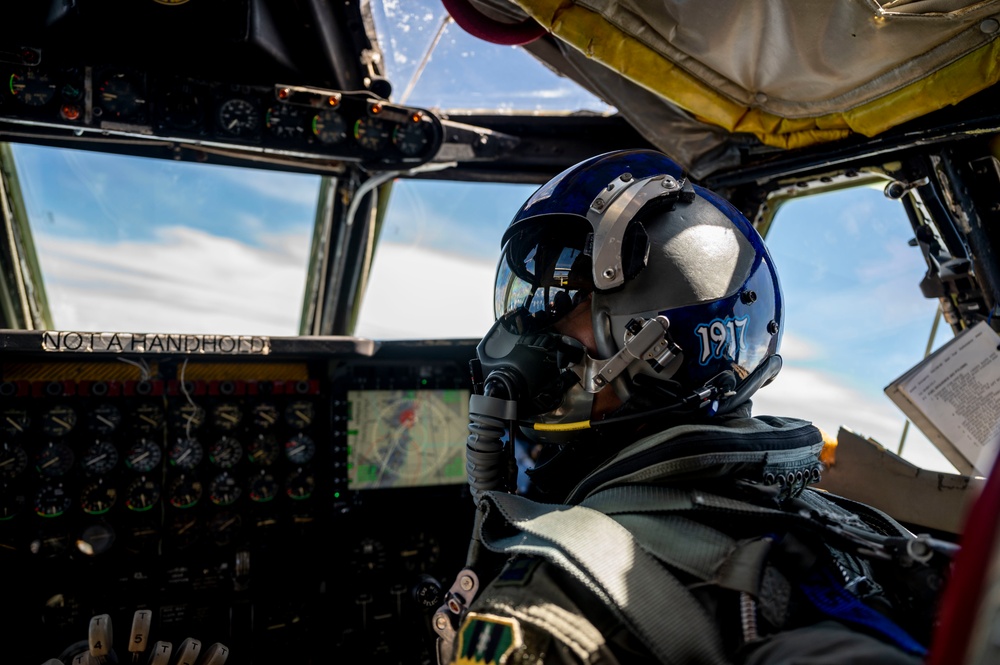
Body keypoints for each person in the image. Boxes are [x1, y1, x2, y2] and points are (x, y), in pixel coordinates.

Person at [432, 149, 951, 665]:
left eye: (562, 303)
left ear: (655, 341)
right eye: (524, 305)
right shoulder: (859, 524)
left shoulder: (554, 601)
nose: (521, 332)